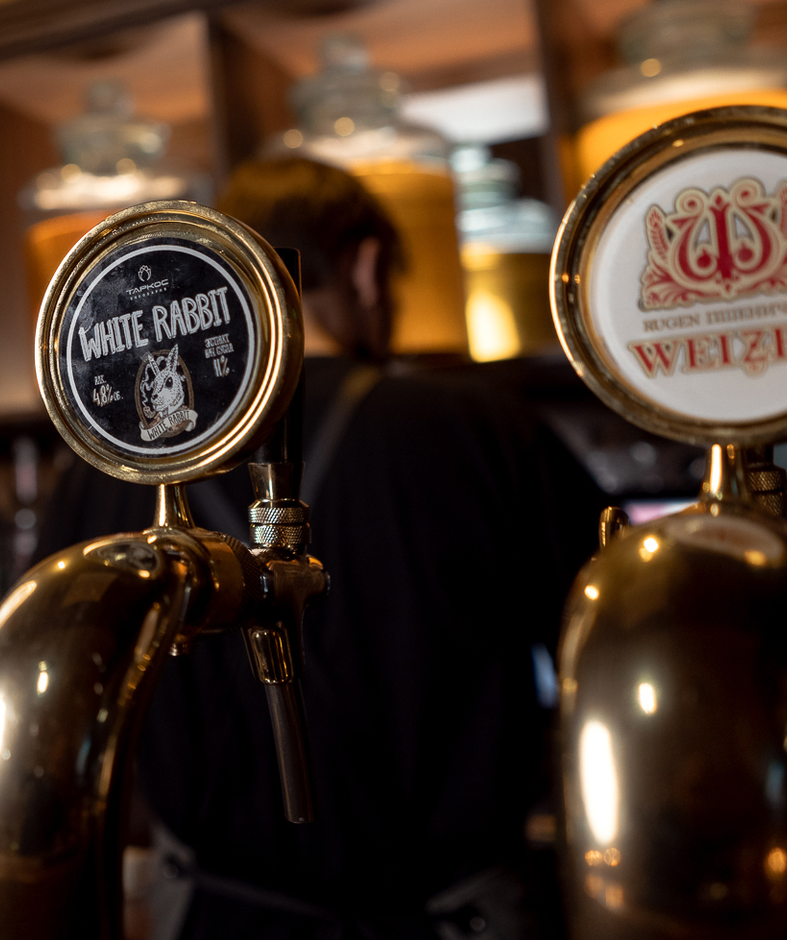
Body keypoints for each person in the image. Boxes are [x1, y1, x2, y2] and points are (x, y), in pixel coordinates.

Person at [37, 157, 603, 939]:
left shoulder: (106, 467)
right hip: (448, 918)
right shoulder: (483, 430)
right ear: (366, 270)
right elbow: (608, 649)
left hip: (209, 918)